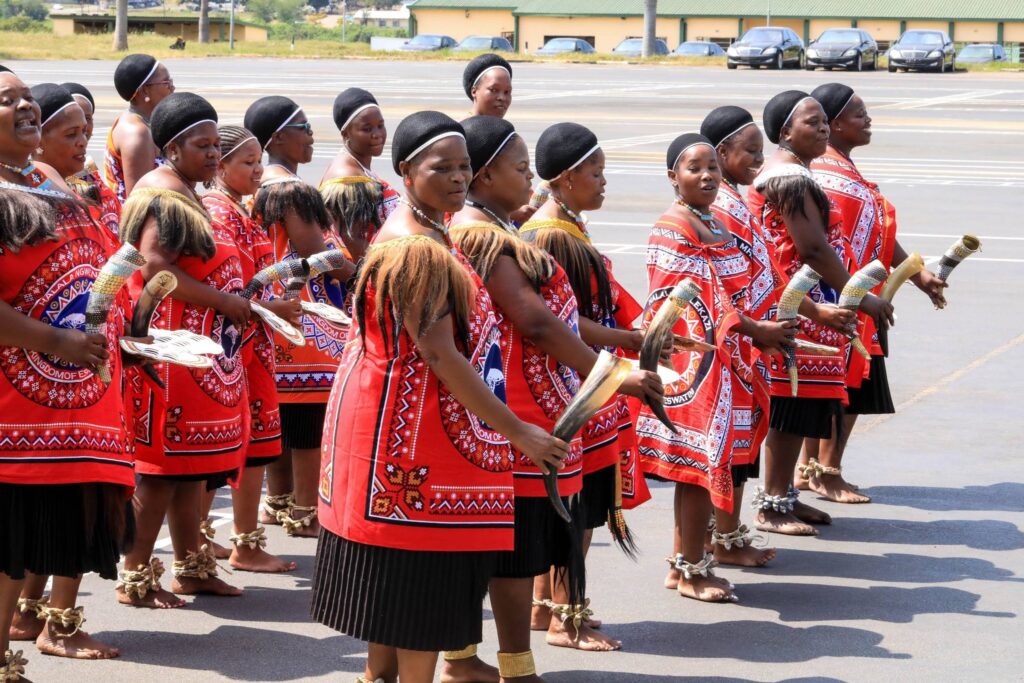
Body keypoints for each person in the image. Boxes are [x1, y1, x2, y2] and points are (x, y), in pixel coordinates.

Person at [310, 110, 568, 683]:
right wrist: (519, 430)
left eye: (463, 167)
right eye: (441, 167)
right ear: (405, 170)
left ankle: (378, 677)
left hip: (398, 416)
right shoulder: (417, 248)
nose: (457, 178)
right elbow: (440, 354)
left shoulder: (429, 231)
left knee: (395, 584)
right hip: (411, 431)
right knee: (417, 582)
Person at [445, 115, 664, 678]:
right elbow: (537, 323)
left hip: (531, 406)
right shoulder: (482, 236)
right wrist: (613, 375)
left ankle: (495, 661)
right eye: (521, 170)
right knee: (507, 555)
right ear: (487, 174)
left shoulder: (498, 227)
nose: (530, 180)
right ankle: (499, 665)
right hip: (513, 412)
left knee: (511, 554)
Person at [0, 70, 135, 674]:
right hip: (15, 407)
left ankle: (57, 626)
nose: (26, 105)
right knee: (7, 546)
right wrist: (59, 339)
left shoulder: (46, 177)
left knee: (64, 526)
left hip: (78, 396)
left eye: (27, 96)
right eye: (9, 100)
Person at [521, 122, 652, 651]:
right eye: (596, 173)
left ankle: (542, 606)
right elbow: (569, 324)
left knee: (572, 506)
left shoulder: (559, 227)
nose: (603, 183)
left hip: (575, 381)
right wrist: (635, 338)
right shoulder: (552, 235)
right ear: (568, 176)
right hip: (576, 384)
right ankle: (565, 617)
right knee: (576, 511)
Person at [117, 92, 246, 608]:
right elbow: (154, 270)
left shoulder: (183, 188)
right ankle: (135, 576)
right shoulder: (166, 197)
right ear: (172, 146)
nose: (214, 154)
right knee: (161, 471)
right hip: (169, 352)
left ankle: (191, 568)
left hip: (196, 353)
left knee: (192, 468)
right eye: (202, 145)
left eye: (218, 145)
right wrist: (223, 301)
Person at [745, 91, 892, 536]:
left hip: (808, 304)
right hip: (799, 308)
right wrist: (861, 296)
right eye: (813, 122)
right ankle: (771, 505)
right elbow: (812, 248)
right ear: (786, 131)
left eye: (824, 121)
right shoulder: (790, 180)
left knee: (806, 408)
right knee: (793, 408)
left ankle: (785, 496)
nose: (823, 128)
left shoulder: (797, 174)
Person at [800, 83, 947, 503]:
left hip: (862, 295)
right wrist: (851, 296)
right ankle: (825, 472)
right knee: (839, 392)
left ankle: (811, 469)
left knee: (834, 390)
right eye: (859, 113)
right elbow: (820, 246)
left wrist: (919, 276)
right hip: (844, 299)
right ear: (835, 124)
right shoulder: (828, 174)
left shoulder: (844, 168)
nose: (868, 120)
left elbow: (882, 233)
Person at [244, 96, 356, 540]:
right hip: (306, 317)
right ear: (277, 138)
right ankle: (307, 511)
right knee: (309, 424)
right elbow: (320, 253)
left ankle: (279, 502)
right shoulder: (288, 190)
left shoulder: (256, 185)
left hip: (278, 313)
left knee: (285, 421)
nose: (311, 135)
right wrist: (363, 274)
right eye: (303, 127)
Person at [202, 125, 302, 573]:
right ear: (220, 166)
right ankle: (237, 541)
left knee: (251, 445)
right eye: (247, 162)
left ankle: (218, 540)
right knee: (233, 449)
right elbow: (228, 288)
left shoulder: (239, 210)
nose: (259, 169)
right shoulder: (218, 214)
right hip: (231, 346)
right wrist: (274, 307)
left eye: (259, 160)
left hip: (250, 345)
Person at [319, 87, 399, 263]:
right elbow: (352, 241)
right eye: (367, 128)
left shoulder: (360, 167)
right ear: (346, 133)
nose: (377, 134)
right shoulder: (348, 178)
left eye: (380, 125)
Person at [103, 54, 174, 203]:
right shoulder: (136, 134)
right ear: (145, 91)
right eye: (166, 82)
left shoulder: (146, 124)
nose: (173, 88)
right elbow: (140, 202)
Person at [463, 53, 512, 119]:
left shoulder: (504, 128)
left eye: (507, 92)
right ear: (474, 91)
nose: (502, 98)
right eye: (494, 90)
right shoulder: (462, 128)